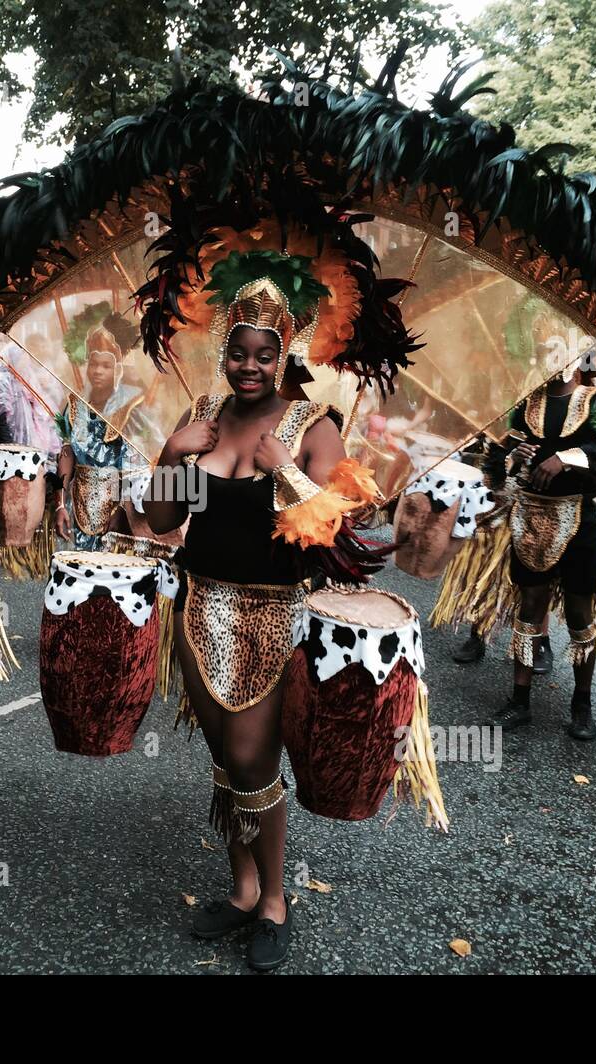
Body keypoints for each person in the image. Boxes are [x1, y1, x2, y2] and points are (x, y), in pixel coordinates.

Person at [144, 252, 381, 971]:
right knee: (224, 756)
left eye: (264, 353)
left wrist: (283, 466)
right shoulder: (202, 415)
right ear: (225, 350)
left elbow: (333, 528)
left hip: (274, 613)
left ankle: (277, 899)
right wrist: (171, 453)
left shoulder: (314, 423)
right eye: (239, 352)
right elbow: (161, 517)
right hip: (198, 605)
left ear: (286, 353)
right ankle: (243, 888)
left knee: (253, 755)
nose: (249, 366)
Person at [482, 359, 596, 740]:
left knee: (581, 614)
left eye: (564, 350)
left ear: (579, 357)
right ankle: (519, 700)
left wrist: (567, 457)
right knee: (529, 609)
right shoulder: (523, 404)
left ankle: (582, 706)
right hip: (529, 518)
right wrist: (515, 459)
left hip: (580, 519)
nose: (555, 360)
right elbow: (496, 472)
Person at [54, 310, 150, 548]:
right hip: (80, 505)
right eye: (93, 363)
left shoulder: (132, 406)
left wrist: (123, 511)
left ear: (117, 368)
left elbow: (138, 468)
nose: (97, 371)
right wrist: (59, 503)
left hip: (119, 511)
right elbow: (67, 455)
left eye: (106, 365)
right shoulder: (75, 405)